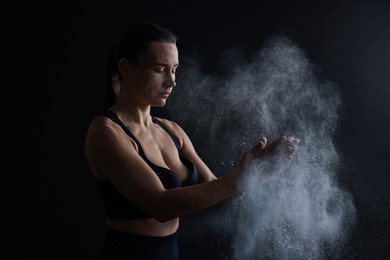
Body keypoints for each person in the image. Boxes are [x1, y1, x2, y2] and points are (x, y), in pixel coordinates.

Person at [85, 22, 299, 260]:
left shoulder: (172, 130)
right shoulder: (105, 132)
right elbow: (161, 206)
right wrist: (237, 178)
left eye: (174, 69)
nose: (172, 81)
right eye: (160, 69)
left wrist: (252, 174)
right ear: (125, 68)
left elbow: (218, 200)